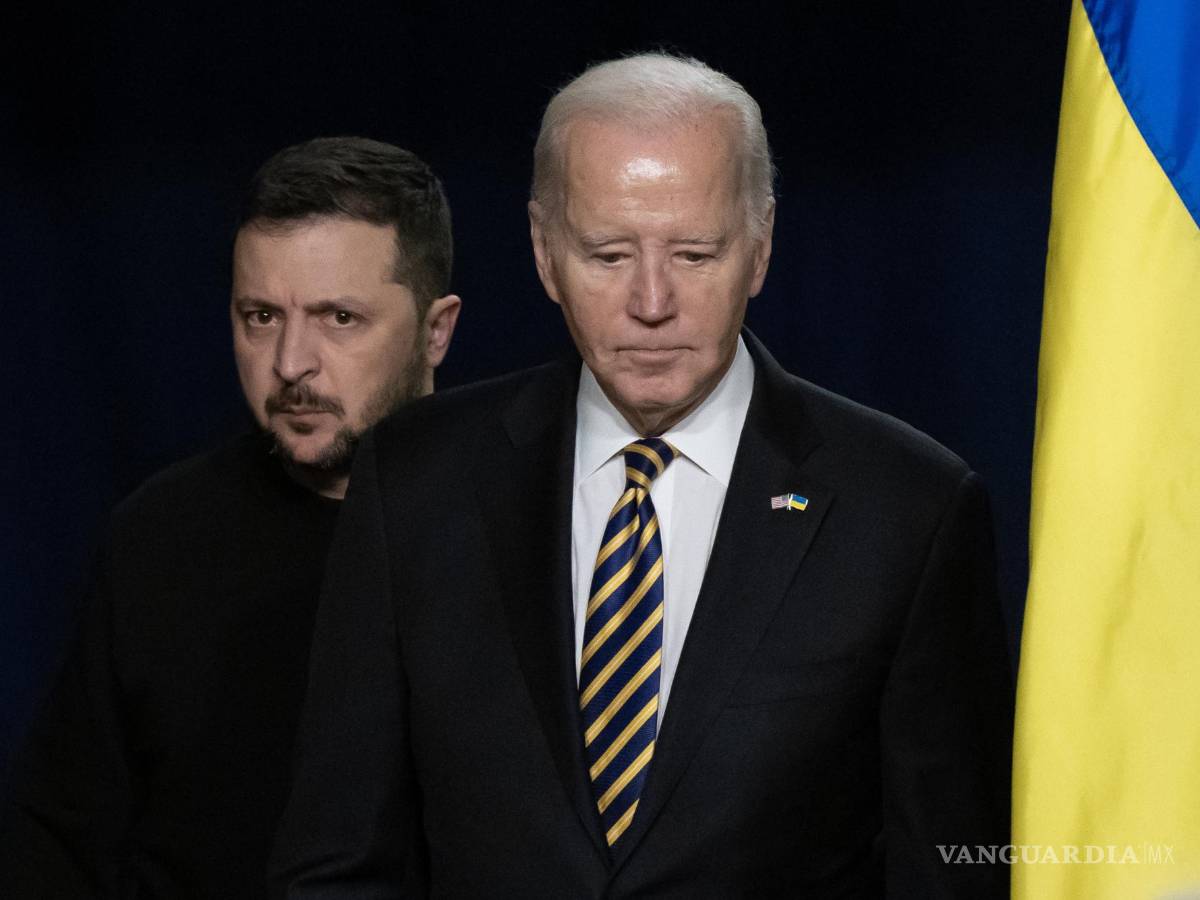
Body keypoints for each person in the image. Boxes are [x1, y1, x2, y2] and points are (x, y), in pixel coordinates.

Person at [271, 56, 1012, 898]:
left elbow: (953, 871)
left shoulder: (907, 510)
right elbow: (337, 860)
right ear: (544, 254)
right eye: (608, 254)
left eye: (695, 254)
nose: (652, 301)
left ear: (760, 248)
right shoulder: (415, 481)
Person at [0, 137, 460, 898]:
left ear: (436, 330)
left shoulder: (515, 527)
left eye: (339, 318)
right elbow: (55, 831)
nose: (290, 363)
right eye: (260, 317)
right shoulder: (161, 535)